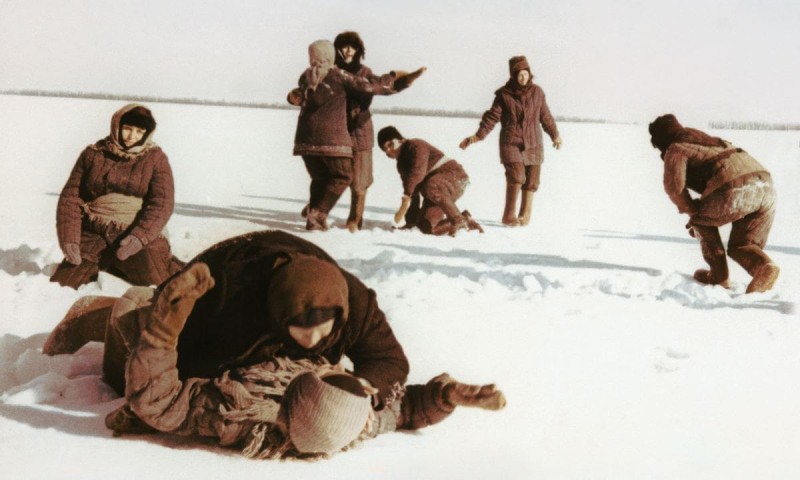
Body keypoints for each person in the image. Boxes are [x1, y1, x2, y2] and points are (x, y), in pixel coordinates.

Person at [97, 263, 506, 459]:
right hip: (238, 332)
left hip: (155, 363)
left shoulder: (239, 411)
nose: (344, 374)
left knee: (131, 308)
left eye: (338, 379)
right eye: (354, 386)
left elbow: (161, 403)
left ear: (309, 391)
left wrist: (163, 332)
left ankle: (88, 315)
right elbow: (403, 409)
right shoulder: (357, 420)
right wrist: (447, 395)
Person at [45, 230, 411, 409]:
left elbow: (389, 361)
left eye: (324, 329)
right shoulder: (229, 308)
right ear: (280, 316)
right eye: (302, 329)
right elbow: (178, 370)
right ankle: (99, 311)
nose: (314, 341)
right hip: (204, 286)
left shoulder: (354, 301)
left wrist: (362, 386)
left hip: (284, 268)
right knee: (125, 372)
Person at [288, 39, 425, 231]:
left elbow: (302, 96)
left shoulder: (306, 76)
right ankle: (318, 214)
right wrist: (393, 77)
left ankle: (314, 218)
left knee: (320, 178)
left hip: (304, 141)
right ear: (330, 55)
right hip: (331, 139)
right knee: (343, 176)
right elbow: (369, 86)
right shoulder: (338, 75)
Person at [50, 104, 183, 289]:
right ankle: (110, 263)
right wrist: (70, 238)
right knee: (65, 283)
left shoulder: (155, 158)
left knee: (161, 282)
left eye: (139, 131)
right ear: (117, 126)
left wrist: (140, 237)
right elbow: (71, 197)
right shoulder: (93, 154)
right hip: (95, 227)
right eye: (127, 128)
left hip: (135, 227)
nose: (132, 136)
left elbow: (162, 203)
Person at [648, 114, 780, 293]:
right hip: (766, 188)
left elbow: (674, 188)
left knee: (700, 222)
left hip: (735, 188)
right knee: (742, 244)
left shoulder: (676, 148)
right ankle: (765, 268)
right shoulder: (713, 141)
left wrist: (692, 211)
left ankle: (719, 276)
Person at [459, 55, 562, 227]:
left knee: (532, 180)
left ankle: (525, 216)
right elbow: (492, 117)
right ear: (513, 76)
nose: (523, 77)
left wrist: (555, 134)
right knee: (516, 176)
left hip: (534, 143)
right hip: (511, 142)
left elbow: (546, 116)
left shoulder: (538, 92)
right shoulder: (504, 94)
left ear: (529, 74)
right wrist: (478, 136)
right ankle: (508, 216)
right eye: (519, 74)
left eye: (526, 74)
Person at [378, 126, 483, 236]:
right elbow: (413, 193)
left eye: (390, 144)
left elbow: (418, 173)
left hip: (455, 177)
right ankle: (465, 219)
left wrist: (406, 196)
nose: (389, 150)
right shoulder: (401, 165)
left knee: (431, 185)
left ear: (400, 140)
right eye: (385, 149)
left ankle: (458, 220)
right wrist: (410, 222)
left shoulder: (416, 145)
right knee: (426, 227)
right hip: (435, 191)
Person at [334, 31, 377, 232]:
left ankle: (354, 219)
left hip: (360, 129)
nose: (348, 50)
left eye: (353, 46)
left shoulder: (365, 72)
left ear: (359, 50)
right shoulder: (331, 71)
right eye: (344, 45)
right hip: (336, 129)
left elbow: (367, 96)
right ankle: (317, 209)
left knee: (359, 179)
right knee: (334, 173)